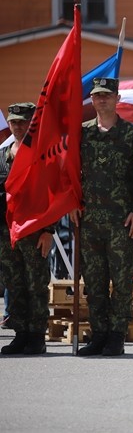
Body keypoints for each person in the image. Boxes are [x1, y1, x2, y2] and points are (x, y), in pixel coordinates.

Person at [70, 77, 133, 357]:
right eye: (97, 95)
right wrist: (71, 203)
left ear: (117, 99)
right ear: (91, 99)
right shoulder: (82, 134)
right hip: (89, 221)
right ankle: (99, 334)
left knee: (122, 280)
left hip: (120, 223)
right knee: (93, 281)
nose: (101, 100)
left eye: (107, 95)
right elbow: (69, 173)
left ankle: (116, 336)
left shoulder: (132, 135)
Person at [0, 102, 54, 355]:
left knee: (36, 284)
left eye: (23, 121)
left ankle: (36, 336)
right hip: (7, 233)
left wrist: (49, 230)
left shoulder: (42, 155)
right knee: (14, 283)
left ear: (33, 123)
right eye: (14, 122)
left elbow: (51, 193)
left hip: (35, 230)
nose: (18, 126)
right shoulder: (3, 155)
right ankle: (21, 333)